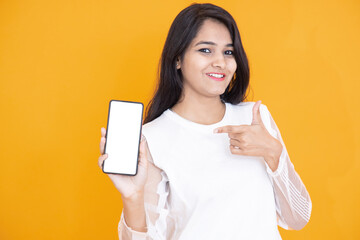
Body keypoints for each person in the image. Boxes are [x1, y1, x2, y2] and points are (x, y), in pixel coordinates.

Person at [98, 3, 312, 240]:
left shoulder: (255, 119)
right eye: (206, 50)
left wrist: (274, 153)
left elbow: (298, 218)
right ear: (177, 59)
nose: (220, 62)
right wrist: (132, 198)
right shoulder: (153, 138)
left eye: (228, 52)